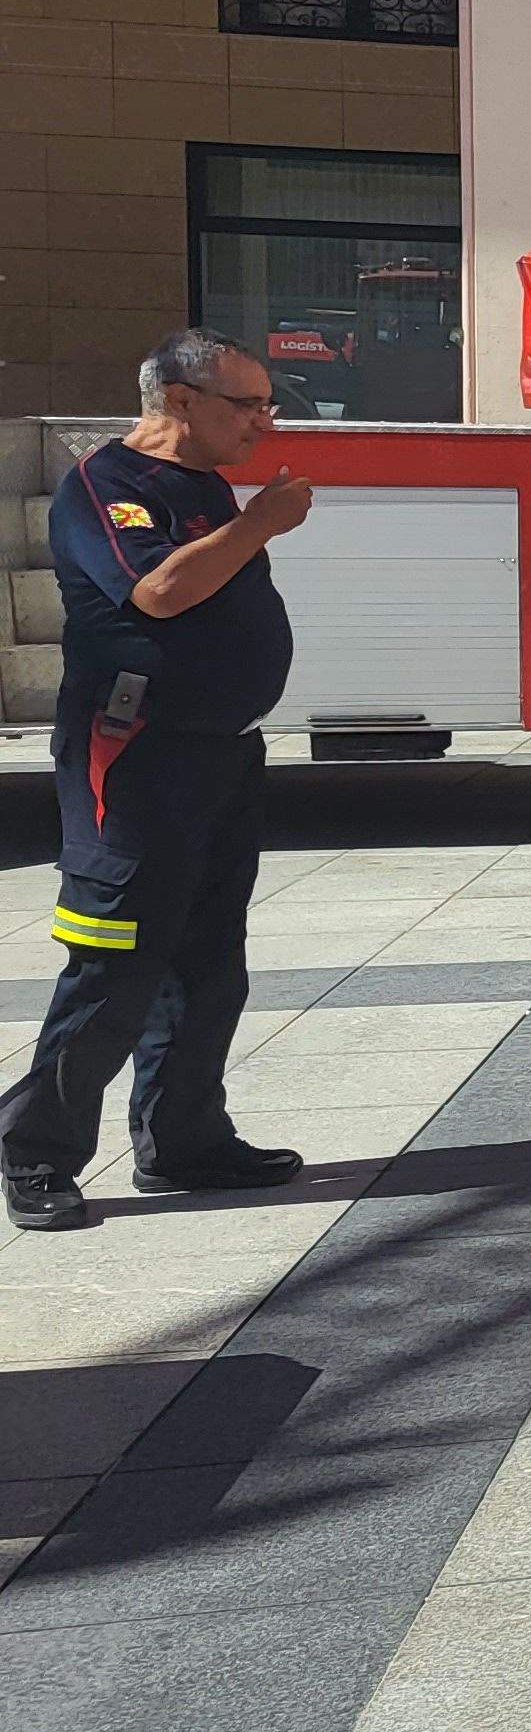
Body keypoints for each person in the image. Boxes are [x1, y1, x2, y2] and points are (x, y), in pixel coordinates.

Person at [4, 331, 310, 1234]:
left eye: (266, 404)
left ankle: (184, 1142)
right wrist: (260, 523)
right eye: (246, 404)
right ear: (178, 400)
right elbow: (159, 592)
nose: (263, 422)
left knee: (208, 963)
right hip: (138, 755)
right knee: (116, 961)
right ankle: (35, 1152)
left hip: (221, 752)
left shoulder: (204, 484)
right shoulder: (106, 485)